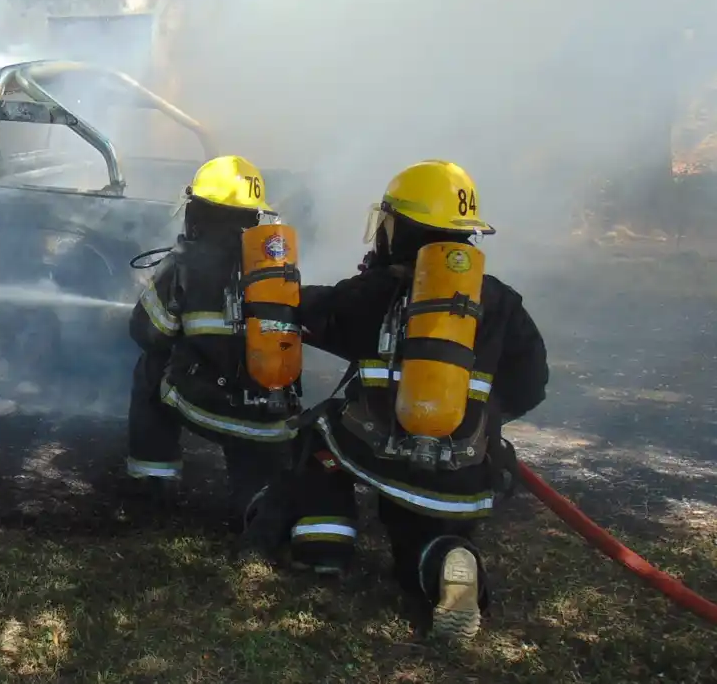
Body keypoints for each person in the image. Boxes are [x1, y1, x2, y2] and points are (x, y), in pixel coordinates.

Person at [287, 159, 549, 643]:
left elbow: (320, 312)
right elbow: (532, 381)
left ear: (399, 227)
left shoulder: (374, 292)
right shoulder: (501, 301)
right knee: (419, 538)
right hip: (464, 474)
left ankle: (323, 546)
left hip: (382, 454)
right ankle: (449, 555)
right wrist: (484, 424)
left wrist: (277, 291)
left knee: (317, 434)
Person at [123, 155, 304, 534]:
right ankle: (257, 508)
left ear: (197, 211)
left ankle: (154, 477)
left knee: (150, 367)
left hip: (207, 405)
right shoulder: (278, 269)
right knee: (253, 483)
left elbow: (147, 332)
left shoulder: (185, 263)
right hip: (269, 418)